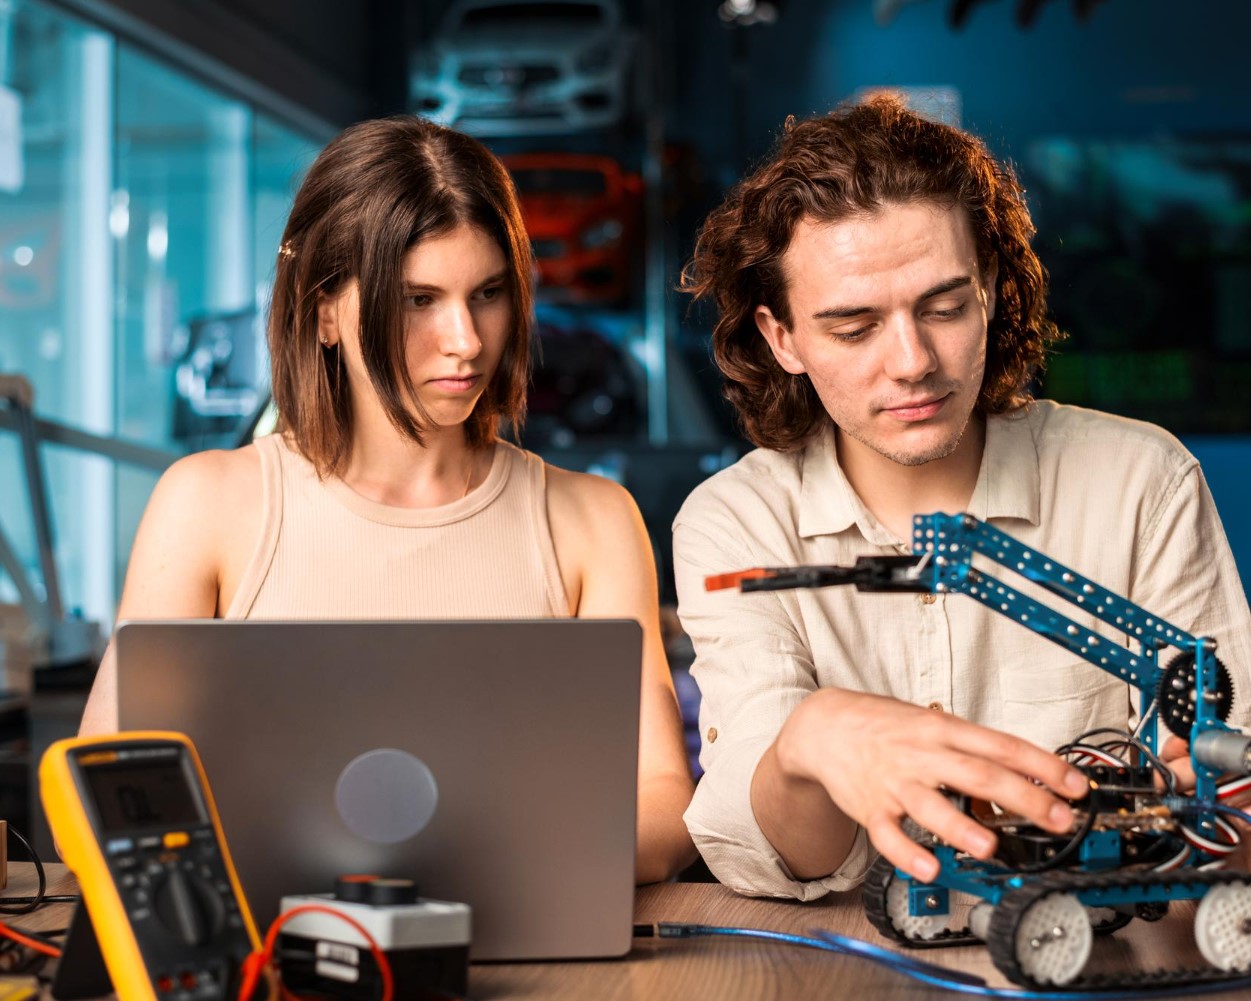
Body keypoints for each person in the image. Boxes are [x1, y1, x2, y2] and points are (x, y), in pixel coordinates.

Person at [79, 115, 696, 884]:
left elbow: (663, 797)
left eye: (489, 293)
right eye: (418, 299)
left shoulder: (592, 521)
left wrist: (511, 871)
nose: (465, 339)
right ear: (325, 309)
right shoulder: (206, 503)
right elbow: (103, 789)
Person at [674, 94, 1251, 898]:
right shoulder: (737, 525)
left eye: (943, 307)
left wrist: (1208, 802)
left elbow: (1234, 804)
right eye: (853, 327)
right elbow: (782, 858)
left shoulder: (1139, 481)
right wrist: (810, 741)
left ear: (990, 290)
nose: (912, 361)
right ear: (783, 338)